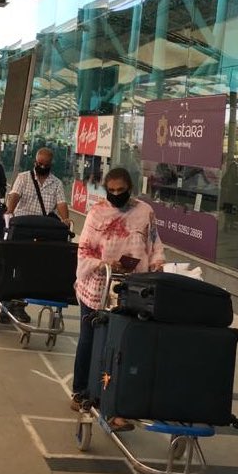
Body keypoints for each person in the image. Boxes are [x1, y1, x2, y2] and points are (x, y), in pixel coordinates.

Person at [71, 166, 165, 430]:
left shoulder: (145, 212)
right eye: (111, 191)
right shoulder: (97, 213)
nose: (115, 195)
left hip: (132, 289)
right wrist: (104, 263)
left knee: (122, 346)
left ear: (130, 189)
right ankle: (81, 391)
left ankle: (117, 399)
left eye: (120, 190)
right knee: (91, 341)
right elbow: (84, 251)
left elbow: (155, 244)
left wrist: (157, 265)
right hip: (97, 287)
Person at [4, 147, 72, 324]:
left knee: (33, 267)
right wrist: (10, 211)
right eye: (39, 163)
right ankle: (10, 302)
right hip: (22, 227)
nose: (42, 166)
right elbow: (14, 195)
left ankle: (19, 303)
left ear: (51, 164)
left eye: (45, 164)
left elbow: (61, 203)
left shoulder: (56, 183)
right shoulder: (24, 178)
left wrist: (65, 219)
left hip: (42, 229)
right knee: (16, 265)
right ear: (35, 161)